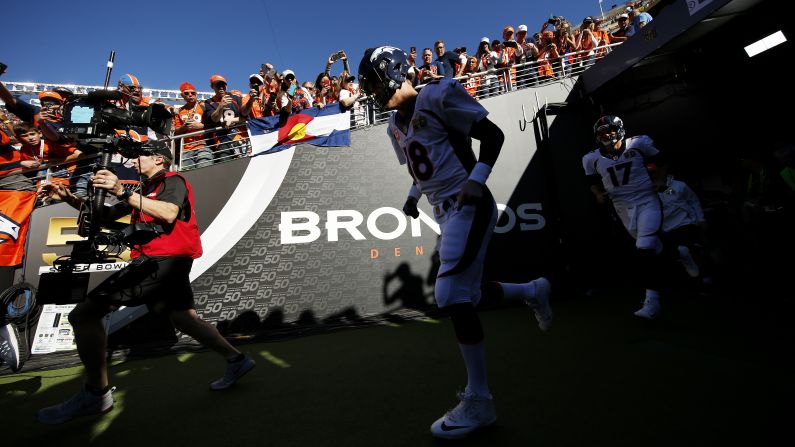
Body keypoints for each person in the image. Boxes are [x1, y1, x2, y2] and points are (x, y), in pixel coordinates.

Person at [358, 46, 552, 440]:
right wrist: (413, 197)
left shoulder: (438, 95)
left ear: (395, 72)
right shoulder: (394, 125)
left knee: (449, 294)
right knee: (468, 295)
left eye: (375, 83)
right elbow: (422, 166)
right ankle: (533, 289)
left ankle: (480, 400)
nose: (373, 92)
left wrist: (475, 181)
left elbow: (492, 136)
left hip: (469, 204)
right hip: (445, 211)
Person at [36, 143, 255, 424]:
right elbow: (104, 216)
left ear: (158, 159)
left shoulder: (172, 180)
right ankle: (237, 360)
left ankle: (96, 393)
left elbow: (168, 213)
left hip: (161, 261)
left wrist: (121, 191)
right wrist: (69, 198)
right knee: (184, 319)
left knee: (84, 314)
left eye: (139, 156)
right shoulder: (143, 189)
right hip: (164, 262)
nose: (133, 161)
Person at [582, 115, 667, 319]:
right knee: (652, 247)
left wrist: (660, 179)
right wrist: (597, 194)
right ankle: (679, 252)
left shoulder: (637, 144)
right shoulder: (591, 158)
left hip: (646, 200)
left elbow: (661, 160)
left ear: (619, 129)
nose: (606, 134)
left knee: (644, 247)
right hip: (622, 207)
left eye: (609, 130)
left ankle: (652, 302)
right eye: (602, 132)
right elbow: (592, 181)